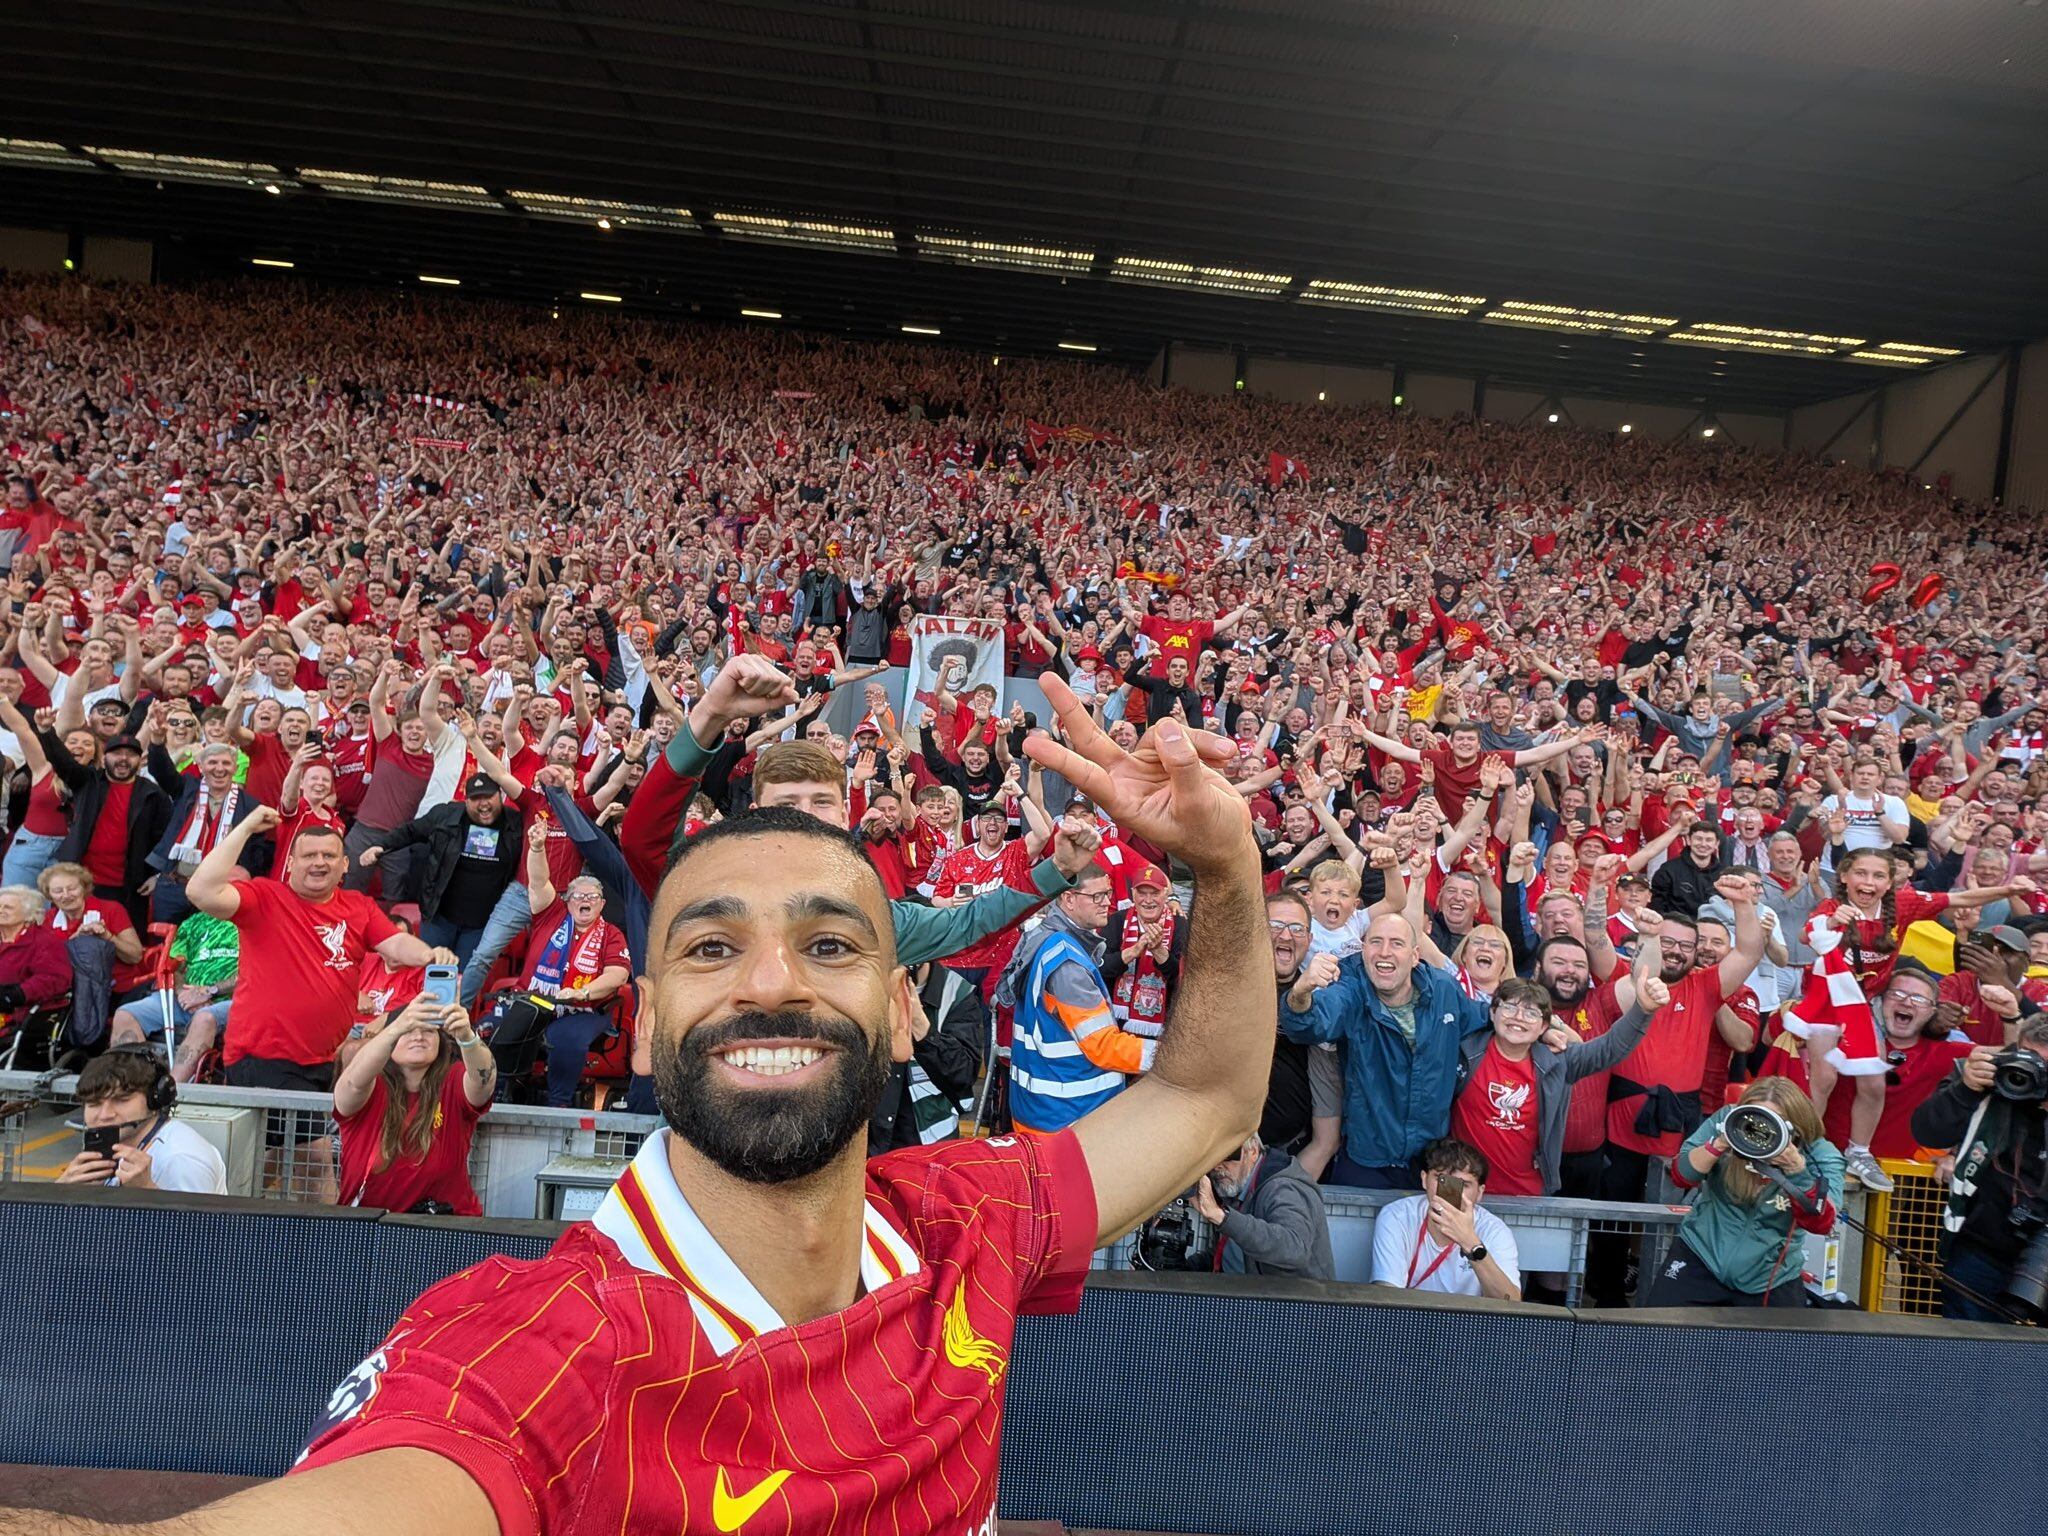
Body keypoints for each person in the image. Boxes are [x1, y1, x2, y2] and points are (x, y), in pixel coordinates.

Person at [34, 673, 1269, 1535]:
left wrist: (1224, 866)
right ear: (651, 1013)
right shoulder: (538, 1352)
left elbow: (1210, 1095)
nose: (773, 982)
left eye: (831, 945)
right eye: (712, 948)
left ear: (903, 1008)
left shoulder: (968, 1219)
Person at [186, 809, 454, 1094]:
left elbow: (396, 944)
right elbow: (200, 891)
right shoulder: (265, 897)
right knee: (315, 1141)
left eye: (329, 856)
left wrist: (429, 955)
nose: (319, 862)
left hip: (329, 1060)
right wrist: (246, 828)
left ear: (345, 864)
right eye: (309, 855)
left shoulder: (358, 906)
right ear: (291, 863)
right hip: (266, 1059)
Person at [1281, 912, 1493, 1188]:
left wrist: (1546, 1026)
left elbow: (1484, 1016)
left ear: (1415, 955)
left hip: (1434, 1161)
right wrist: (1300, 992)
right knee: (1355, 1228)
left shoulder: (1443, 988)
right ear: (1363, 948)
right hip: (1366, 1159)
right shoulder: (1351, 986)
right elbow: (1309, 1025)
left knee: (1444, 1227)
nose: (1384, 952)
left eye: (1396, 943)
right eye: (1375, 942)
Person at [1451, 973, 1663, 1197]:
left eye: (1531, 1013)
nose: (1518, 1017)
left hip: (1526, 1193)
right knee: (1442, 1230)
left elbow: (1608, 1049)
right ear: (1493, 1013)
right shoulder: (1461, 1052)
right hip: (1455, 1188)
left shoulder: (1558, 1061)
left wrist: (1642, 1011)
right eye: (1510, 1007)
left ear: (1544, 1026)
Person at [1652, 1079, 1843, 1308]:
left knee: (1778, 1343)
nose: (1760, 1133)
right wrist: (1722, 1141)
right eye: (1755, 1122)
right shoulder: (1730, 1121)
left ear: (1795, 1127)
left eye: (1771, 1126)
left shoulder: (1821, 1156)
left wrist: (1796, 1170)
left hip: (1768, 1279)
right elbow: (1682, 1176)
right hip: (1700, 1256)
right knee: (1656, 1335)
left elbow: (1821, 1223)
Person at [1910, 1013, 2048, 1322]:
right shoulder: (1987, 1078)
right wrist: (1966, 1089)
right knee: (1969, 1355)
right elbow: (1927, 1131)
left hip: (2043, 1253)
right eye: (2031, 1060)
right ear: (2014, 1050)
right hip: (1982, 1248)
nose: (2038, 1074)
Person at [483, 821, 632, 1107]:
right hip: (532, 1003)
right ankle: (496, 1095)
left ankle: (558, 1104)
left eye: (592, 896)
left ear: (601, 904)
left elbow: (617, 975)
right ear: (567, 900)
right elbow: (538, 882)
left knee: (565, 1039)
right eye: (578, 895)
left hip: (582, 1010)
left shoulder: (611, 934)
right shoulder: (550, 915)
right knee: (491, 1027)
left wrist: (583, 992)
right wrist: (537, 848)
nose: (584, 900)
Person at [998, 867, 1146, 1134]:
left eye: (1108, 893)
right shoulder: (1067, 964)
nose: (1107, 902)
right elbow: (1103, 1046)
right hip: (1070, 1117)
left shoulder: (1043, 938)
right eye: (1098, 896)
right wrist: (1167, 1057)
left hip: (1037, 1109)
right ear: (1068, 899)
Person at [333, 993, 496, 1215]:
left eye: (429, 1030)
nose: (418, 1036)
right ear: (389, 1040)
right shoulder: (370, 1083)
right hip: (369, 1224)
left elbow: (483, 1082)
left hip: (445, 1226)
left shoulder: (453, 1079)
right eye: (408, 1031)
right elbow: (351, 1084)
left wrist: (466, 1036)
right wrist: (396, 1025)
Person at [359, 774, 525, 969]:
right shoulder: (446, 815)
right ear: (465, 801)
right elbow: (411, 831)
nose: (484, 804)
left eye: (489, 797)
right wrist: (381, 845)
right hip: (440, 917)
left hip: (482, 925)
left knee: (462, 981)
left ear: (500, 795)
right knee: (431, 974)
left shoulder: (515, 823)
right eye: (475, 798)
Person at [54, 1045, 226, 1195]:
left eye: (121, 1100)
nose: (104, 1115)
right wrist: (61, 1192)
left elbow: (197, 1232)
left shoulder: (182, 1160)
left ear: (155, 1100)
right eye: (94, 1103)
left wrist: (147, 1191)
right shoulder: (112, 1144)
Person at [1369, 1137, 1522, 1301]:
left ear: (1480, 1192)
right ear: (1424, 1179)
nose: (1450, 1192)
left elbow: (1510, 1303)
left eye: (1464, 1184)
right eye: (1441, 1179)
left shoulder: (1494, 1231)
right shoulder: (1397, 1216)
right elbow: (1386, 1296)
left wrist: (1470, 1243)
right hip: (1410, 1319)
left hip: (1467, 1322)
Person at [1258, 890, 1343, 1180]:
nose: (1286, 935)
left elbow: (1326, 1139)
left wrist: (1284, 1187)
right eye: (1275, 925)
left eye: (1296, 928)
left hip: (1290, 1154)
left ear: (1309, 940)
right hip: (1221, 1153)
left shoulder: (1320, 995)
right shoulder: (1229, 990)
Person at [106, 905, 239, 1080]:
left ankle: (172, 1091)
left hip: (233, 1000)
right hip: (187, 997)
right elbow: (174, 967)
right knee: (125, 1014)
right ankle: (137, 1086)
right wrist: (183, 994)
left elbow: (254, 974)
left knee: (204, 1018)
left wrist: (209, 992)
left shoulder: (256, 925)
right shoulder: (194, 922)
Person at [866, 961, 985, 1154]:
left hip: (930, 1143)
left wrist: (921, 1026)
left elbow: (963, 1075)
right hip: (871, 1139)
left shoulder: (955, 991)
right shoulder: (867, 982)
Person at [1195, 1130, 1334, 1280]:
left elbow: (1294, 1249)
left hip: (1289, 1299)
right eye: (1210, 1159)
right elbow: (1233, 1251)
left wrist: (1221, 1217)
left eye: (1228, 1157)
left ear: (1253, 1151)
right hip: (1243, 1289)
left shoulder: (1283, 1188)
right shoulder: (1241, 1183)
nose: (1217, 1166)